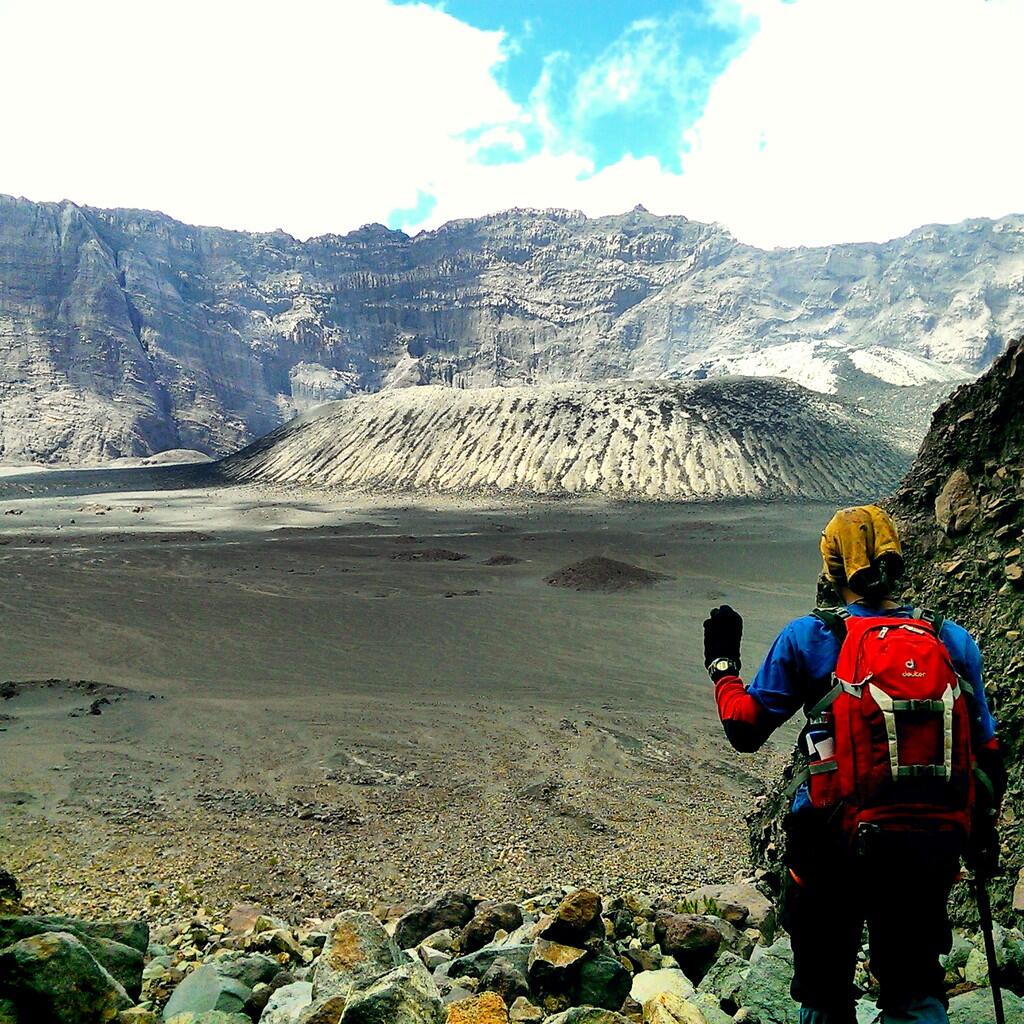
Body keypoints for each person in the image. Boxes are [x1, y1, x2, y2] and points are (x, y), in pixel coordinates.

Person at [703, 505, 1005, 1024]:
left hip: (830, 841)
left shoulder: (809, 636)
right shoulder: (949, 639)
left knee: (824, 994)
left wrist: (723, 667)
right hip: (929, 841)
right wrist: (979, 830)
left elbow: (745, 729)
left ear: (831, 567)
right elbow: (988, 752)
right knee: (915, 992)